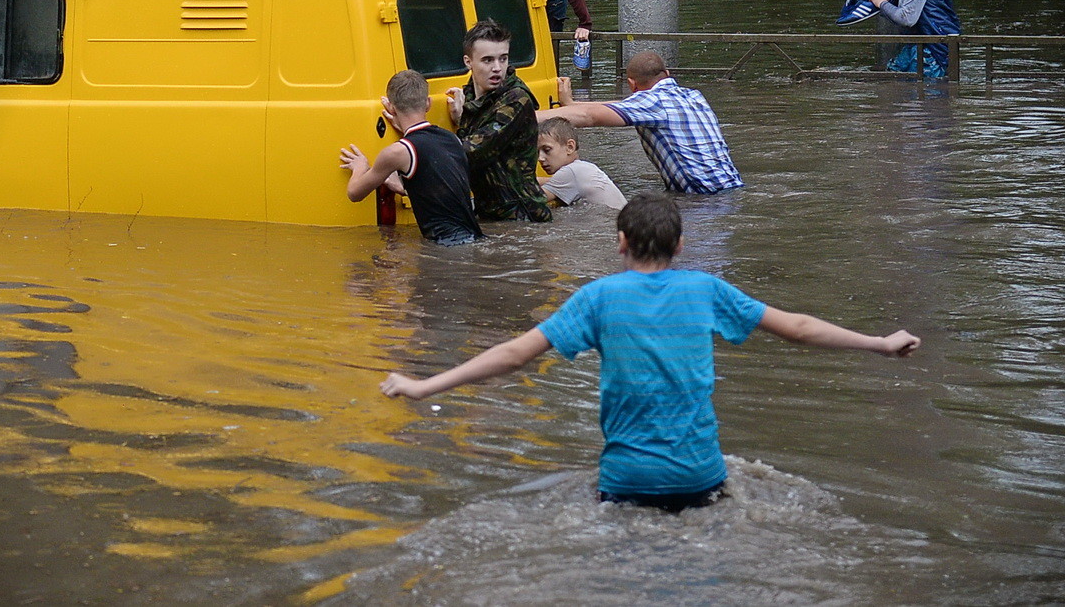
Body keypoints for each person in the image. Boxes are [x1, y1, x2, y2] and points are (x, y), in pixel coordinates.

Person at [380, 193, 921, 511]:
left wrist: (423, 385)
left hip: (626, 482)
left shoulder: (597, 299)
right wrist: (879, 343)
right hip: (701, 477)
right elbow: (799, 328)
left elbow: (513, 355)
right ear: (681, 246)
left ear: (620, 242)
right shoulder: (706, 291)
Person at [538, 51, 743, 194]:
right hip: (733, 189)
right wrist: (572, 103)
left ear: (631, 84)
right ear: (667, 75)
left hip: (703, 200)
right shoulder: (694, 96)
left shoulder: (651, 103)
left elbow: (589, 116)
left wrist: (524, 116)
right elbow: (624, 105)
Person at [340, 69, 483, 246]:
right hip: (475, 238)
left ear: (391, 107)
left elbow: (354, 194)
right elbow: (443, 188)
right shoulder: (451, 138)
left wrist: (360, 166)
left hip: (446, 246)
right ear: (428, 104)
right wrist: (401, 187)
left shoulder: (397, 152)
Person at [446, 19, 553, 223]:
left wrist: (415, 139)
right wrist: (462, 118)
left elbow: (474, 151)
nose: (497, 68)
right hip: (491, 214)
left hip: (523, 216)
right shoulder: (470, 95)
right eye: (488, 60)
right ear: (468, 62)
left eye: (503, 59)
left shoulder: (517, 99)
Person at [537, 116, 627, 210]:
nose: (540, 158)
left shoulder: (570, 172)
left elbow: (531, 201)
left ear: (570, 147)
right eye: (537, 152)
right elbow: (552, 181)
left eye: (547, 150)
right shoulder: (582, 168)